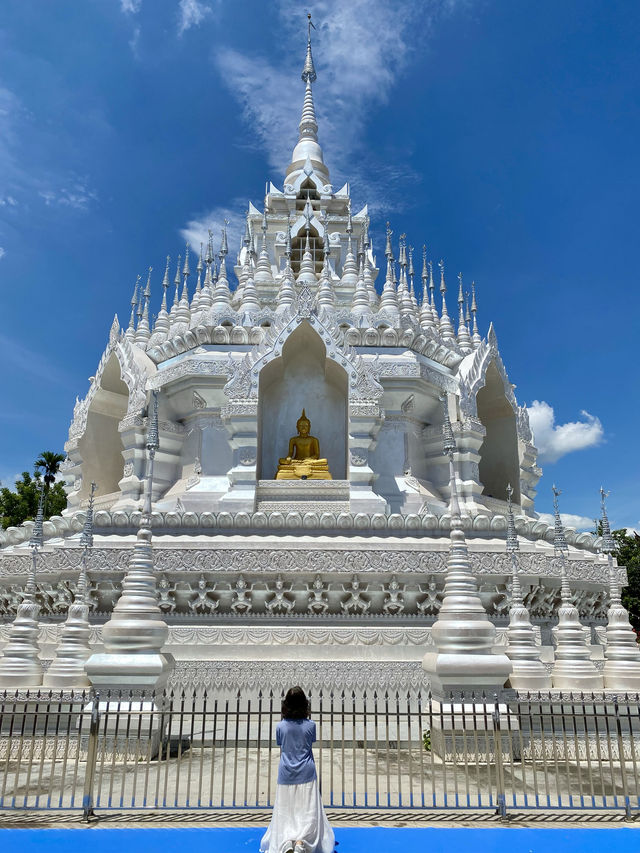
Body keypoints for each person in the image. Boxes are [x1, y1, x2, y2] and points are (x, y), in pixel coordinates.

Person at [260, 686, 335, 853]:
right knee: (307, 810)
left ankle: (287, 840)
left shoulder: (281, 727)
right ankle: (301, 842)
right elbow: (308, 743)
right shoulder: (311, 726)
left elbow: (282, 745)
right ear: (304, 706)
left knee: (287, 810)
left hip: (286, 771)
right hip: (306, 771)